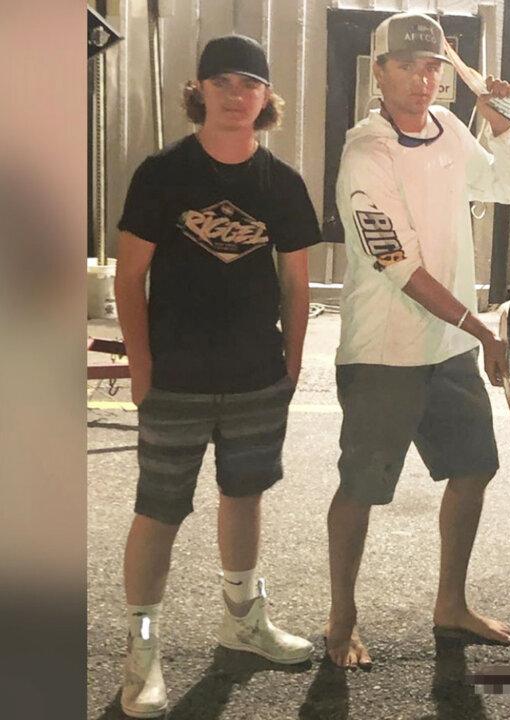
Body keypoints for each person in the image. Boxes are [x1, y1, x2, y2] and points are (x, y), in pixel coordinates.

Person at [114, 34, 321, 717]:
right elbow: (129, 276)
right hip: (173, 379)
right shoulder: (162, 173)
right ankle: (141, 651)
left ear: (267, 98)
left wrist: (291, 362)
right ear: (199, 90)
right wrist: (142, 367)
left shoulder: (281, 183)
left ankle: (243, 620)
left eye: (250, 84)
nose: (237, 94)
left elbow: (297, 283)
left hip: (255, 378)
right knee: (159, 512)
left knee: (245, 497)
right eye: (224, 81)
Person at [325, 11, 510, 669]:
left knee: (473, 470)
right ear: (378, 72)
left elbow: (508, 184)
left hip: (448, 350)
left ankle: (451, 604)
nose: (423, 79)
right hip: (384, 352)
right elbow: (399, 265)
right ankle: (341, 622)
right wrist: (480, 326)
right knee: (362, 487)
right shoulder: (366, 152)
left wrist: (496, 116)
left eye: (434, 66)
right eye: (408, 65)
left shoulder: (447, 132)